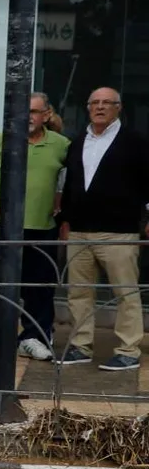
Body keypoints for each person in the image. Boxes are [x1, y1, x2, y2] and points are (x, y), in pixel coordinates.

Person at [0, 92, 69, 362]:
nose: (28, 116)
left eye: (34, 111)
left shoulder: (61, 144)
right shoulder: (2, 140)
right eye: (22, 111)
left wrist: (60, 199)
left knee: (40, 287)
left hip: (43, 228)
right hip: (2, 228)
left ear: (46, 115)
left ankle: (33, 337)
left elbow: (76, 171)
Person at [59, 86, 149, 371]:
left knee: (126, 293)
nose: (100, 107)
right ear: (87, 107)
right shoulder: (76, 142)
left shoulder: (135, 143)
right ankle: (80, 346)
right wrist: (65, 220)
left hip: (119, 232)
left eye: (106, 103)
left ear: (118, 107)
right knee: (79, 293)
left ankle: (128, 350)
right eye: (94, 103)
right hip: (79, 232)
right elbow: (70, 185)